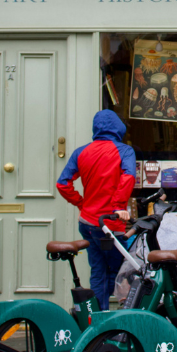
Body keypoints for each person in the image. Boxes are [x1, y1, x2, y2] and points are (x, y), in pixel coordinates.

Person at [56, 109, 136, 310]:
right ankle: (111, 319)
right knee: (117, 270)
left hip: (87, 223)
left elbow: (63, 184)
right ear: (119, 128)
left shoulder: (81, 152)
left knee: (98, 270)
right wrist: (118, 206)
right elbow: (128, 177)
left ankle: (97, 318)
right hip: (110, 224)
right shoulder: (125, 151)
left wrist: (81, 203)